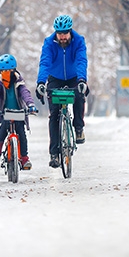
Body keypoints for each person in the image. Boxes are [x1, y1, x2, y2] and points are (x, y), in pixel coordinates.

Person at [35, 14, 89, 168]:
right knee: (54, 116)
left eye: (65, 33)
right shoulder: (49, 43)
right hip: (55, 78)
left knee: (79, 96)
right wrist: (41, 82)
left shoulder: (79, 41)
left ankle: (78, 127)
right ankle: (54, 153)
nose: (62, 37)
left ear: (70, 31)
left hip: (74, 77)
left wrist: (82, 80)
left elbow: (81, 60)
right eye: (59, 33)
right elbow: (44, 63)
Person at [0, 54, 39, 170]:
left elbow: (25, 93)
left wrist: (30, 105)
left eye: (9, 70)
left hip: (19, 111)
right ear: (0, 71)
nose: (7, 73)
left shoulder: (18, 80)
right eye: (4, 71)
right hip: (4, 112)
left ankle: (24, 158)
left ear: (14, 69)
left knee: (22, 135)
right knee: (3, 128)